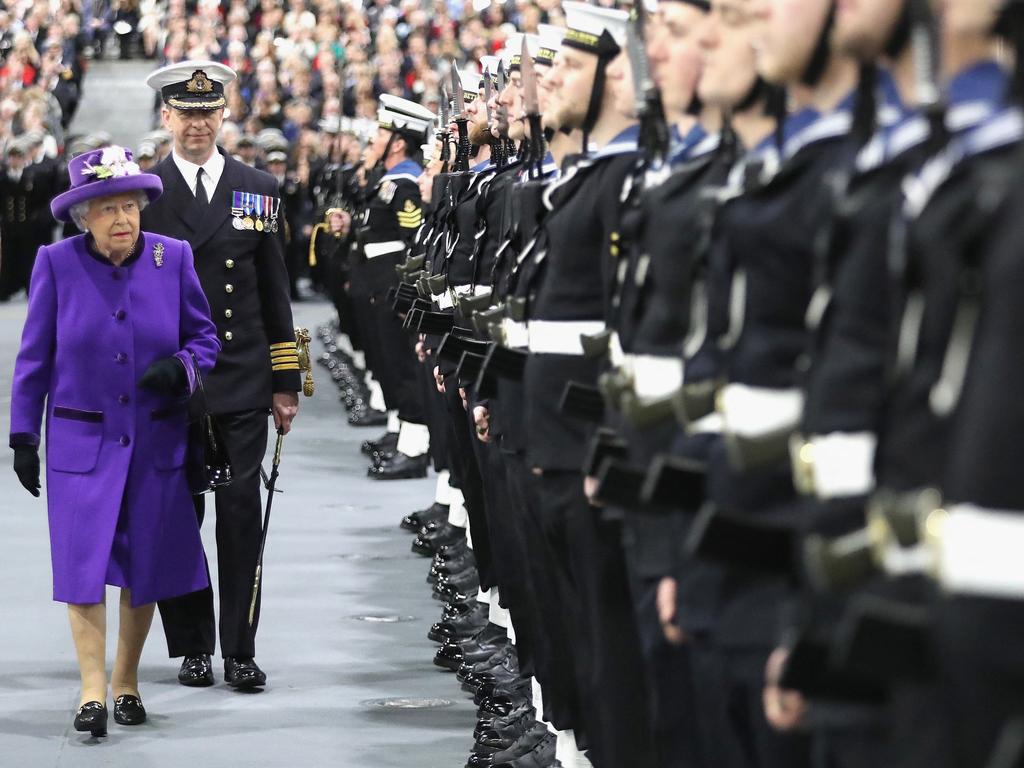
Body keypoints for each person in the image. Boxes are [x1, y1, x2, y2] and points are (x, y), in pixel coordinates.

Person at [9, 144, 220, 736]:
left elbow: (205, 340)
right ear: (84, 218)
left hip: (156, 442)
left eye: (130, 206)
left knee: (143, 565)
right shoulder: (56, 263)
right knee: (83, 567)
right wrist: (23, 433)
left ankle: (126, 681)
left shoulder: (171, 257)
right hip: (82, 445)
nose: (123, 219)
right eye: (108, 209)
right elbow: (34, 359)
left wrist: (179, 367)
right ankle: (92, 691)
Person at [140, 60, 301, 692]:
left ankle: (239, 647)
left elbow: (274, 289)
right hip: (174, 381)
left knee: (239, 514)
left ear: (223, 115)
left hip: (240, 377)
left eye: (208, 112)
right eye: (186, 112)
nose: (198, 123)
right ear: (167, 118)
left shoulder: (256, 186)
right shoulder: (146, 194)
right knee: (178, 517)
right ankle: (193, 647)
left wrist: (284, 381)